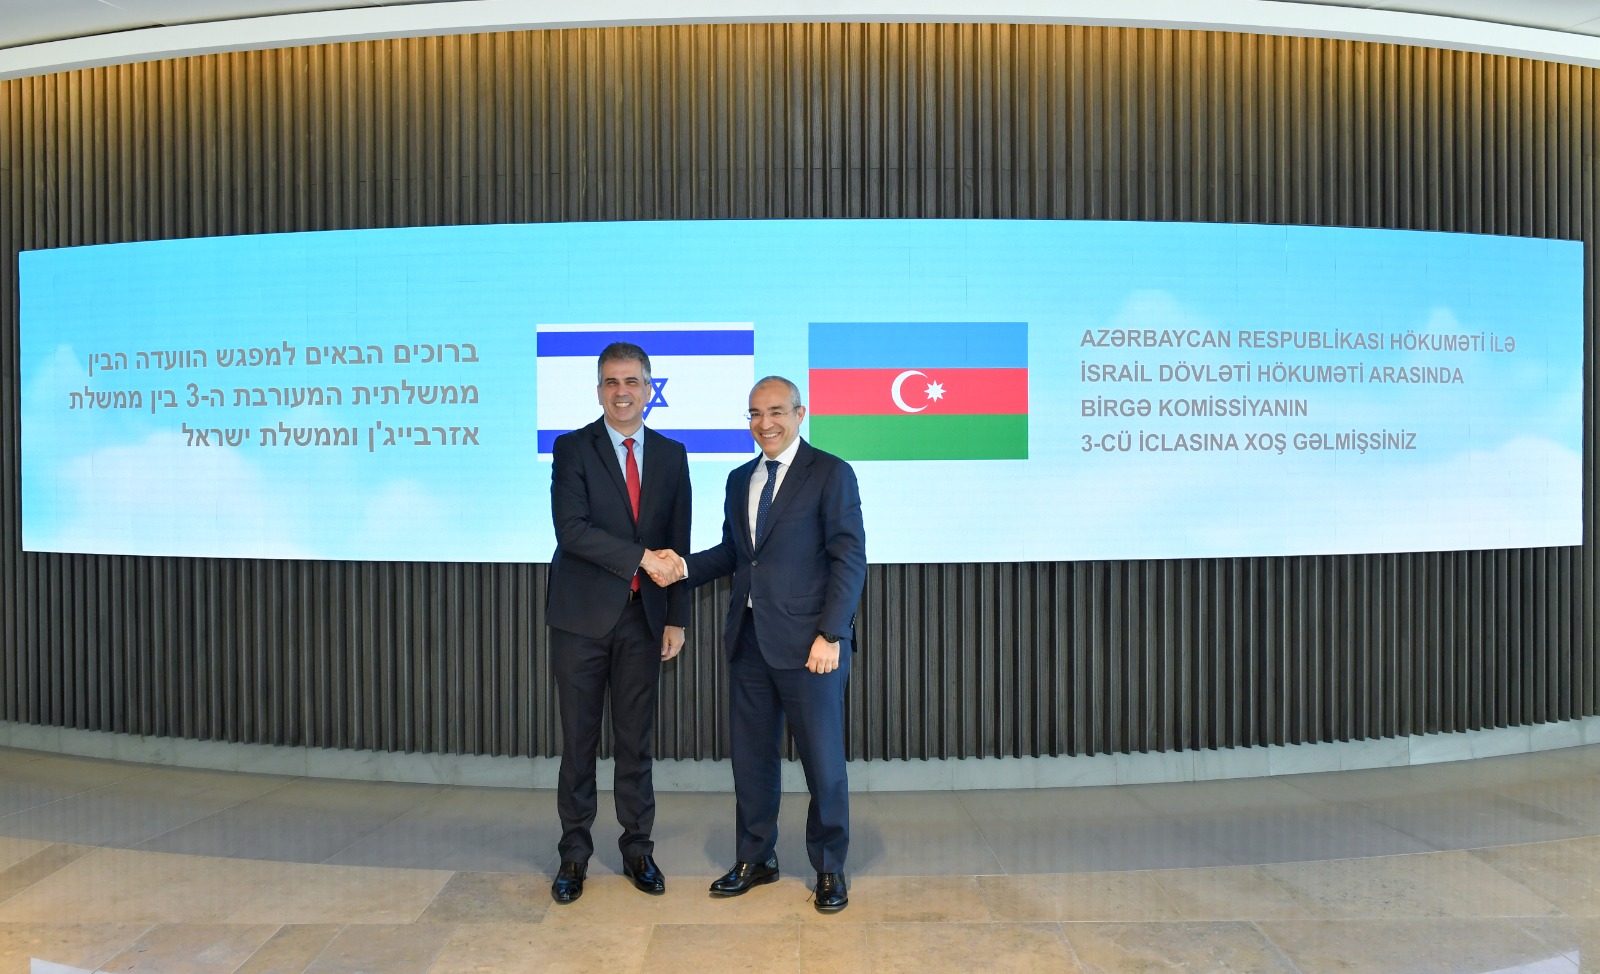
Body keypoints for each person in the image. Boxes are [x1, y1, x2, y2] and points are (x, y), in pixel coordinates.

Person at [662, 375, 866, 914]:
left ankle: (829, 868)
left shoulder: (831, 473)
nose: (765, 423)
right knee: (752, 760)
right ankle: (756, 858)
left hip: (811, 646)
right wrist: (681, 567)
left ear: (800, 413)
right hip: (749, 640)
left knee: (823, 762)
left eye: (776, 411)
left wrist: (832, 633)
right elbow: (736, 554)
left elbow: (849, 559)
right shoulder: (739, 480)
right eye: (754, 413)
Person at [545, 341, 691, 904]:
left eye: (632, 381)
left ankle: (638, 850)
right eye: (611, 382)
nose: (622, 392)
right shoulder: (572, 448)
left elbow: (677, 541)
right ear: (599, 390)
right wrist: (640, 558)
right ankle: (573, 855)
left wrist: (676, 617)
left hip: (643, 620)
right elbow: (571, 530)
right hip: (581, 620)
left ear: (650, 388)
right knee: (579, 743)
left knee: (635, 743)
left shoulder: (672, 455)